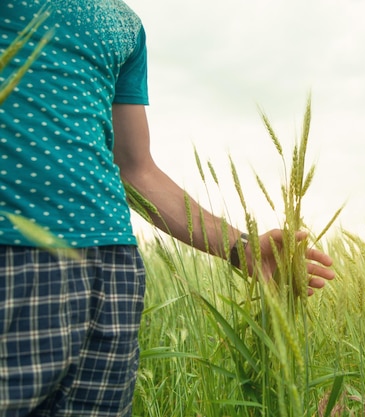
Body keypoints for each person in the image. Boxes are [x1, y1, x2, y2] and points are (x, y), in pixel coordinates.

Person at [0, 1, 335, 416]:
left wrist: (243, 248)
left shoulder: (122, 23)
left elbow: (137, 170)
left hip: (113, 271)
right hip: (11, 254)